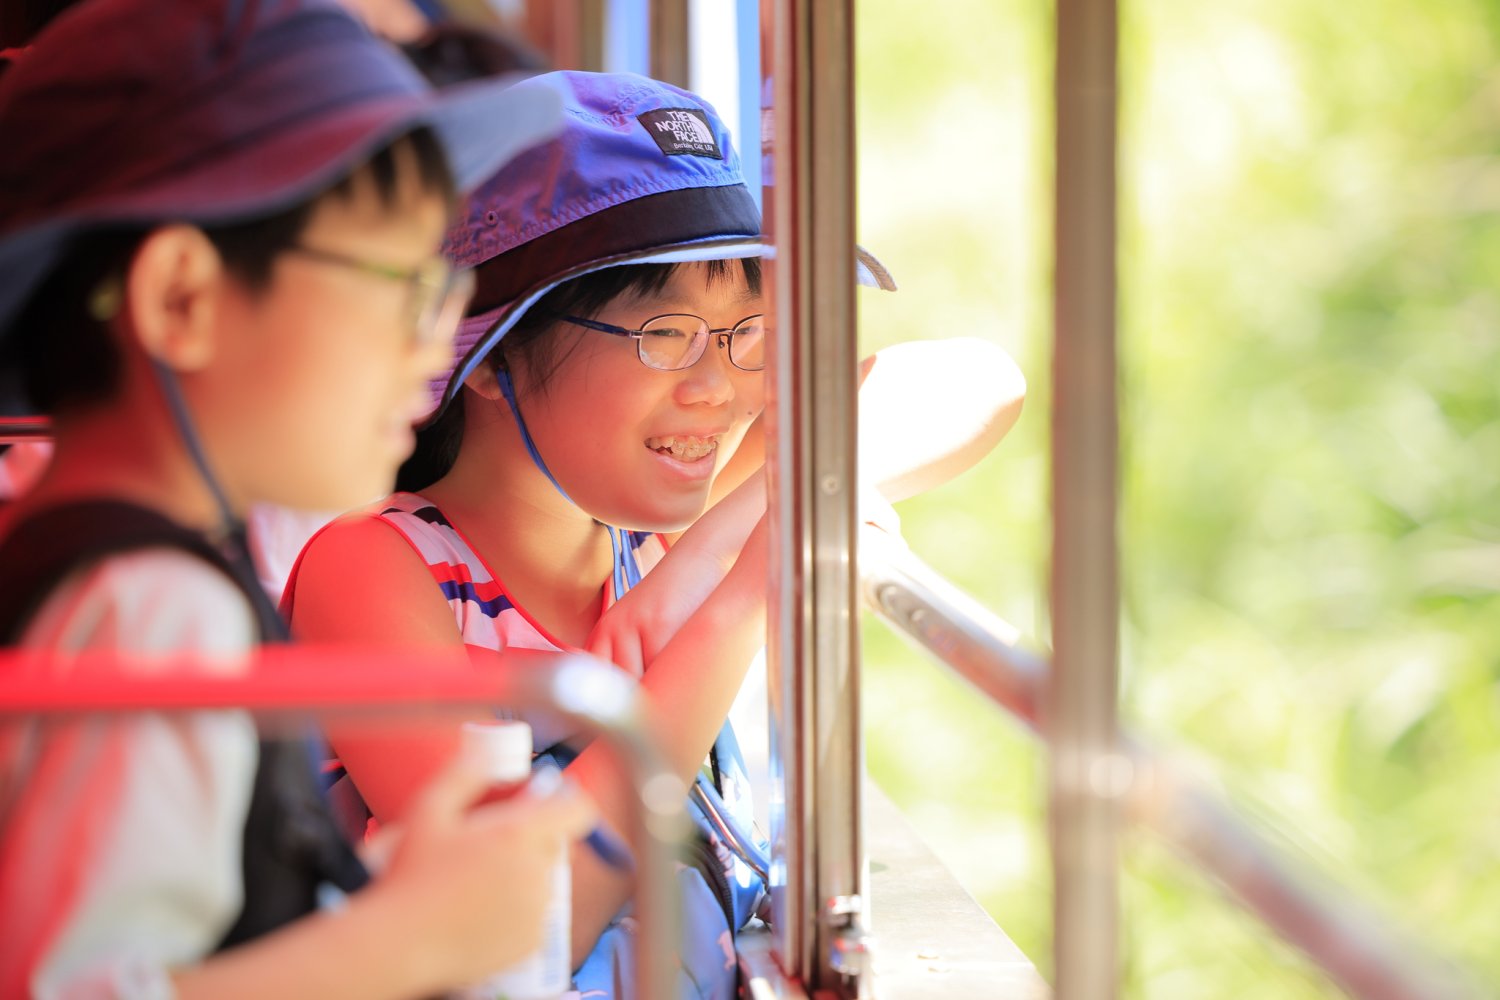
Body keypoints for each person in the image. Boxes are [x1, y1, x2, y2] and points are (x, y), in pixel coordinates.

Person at [281, 69, 1025, 999]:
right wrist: (736, 606)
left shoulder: (655, 528)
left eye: (746, 330)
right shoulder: (376, 571)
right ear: (493, 354)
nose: (719, 387)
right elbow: (514, 933)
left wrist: (720, 546)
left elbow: (978, 383)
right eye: (664, 334)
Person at [0, 1, 596, 997]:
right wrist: (409, 939)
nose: (432, 348)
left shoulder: (109, 568)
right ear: (182, 299)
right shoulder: (155, 610)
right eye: (402, 288)